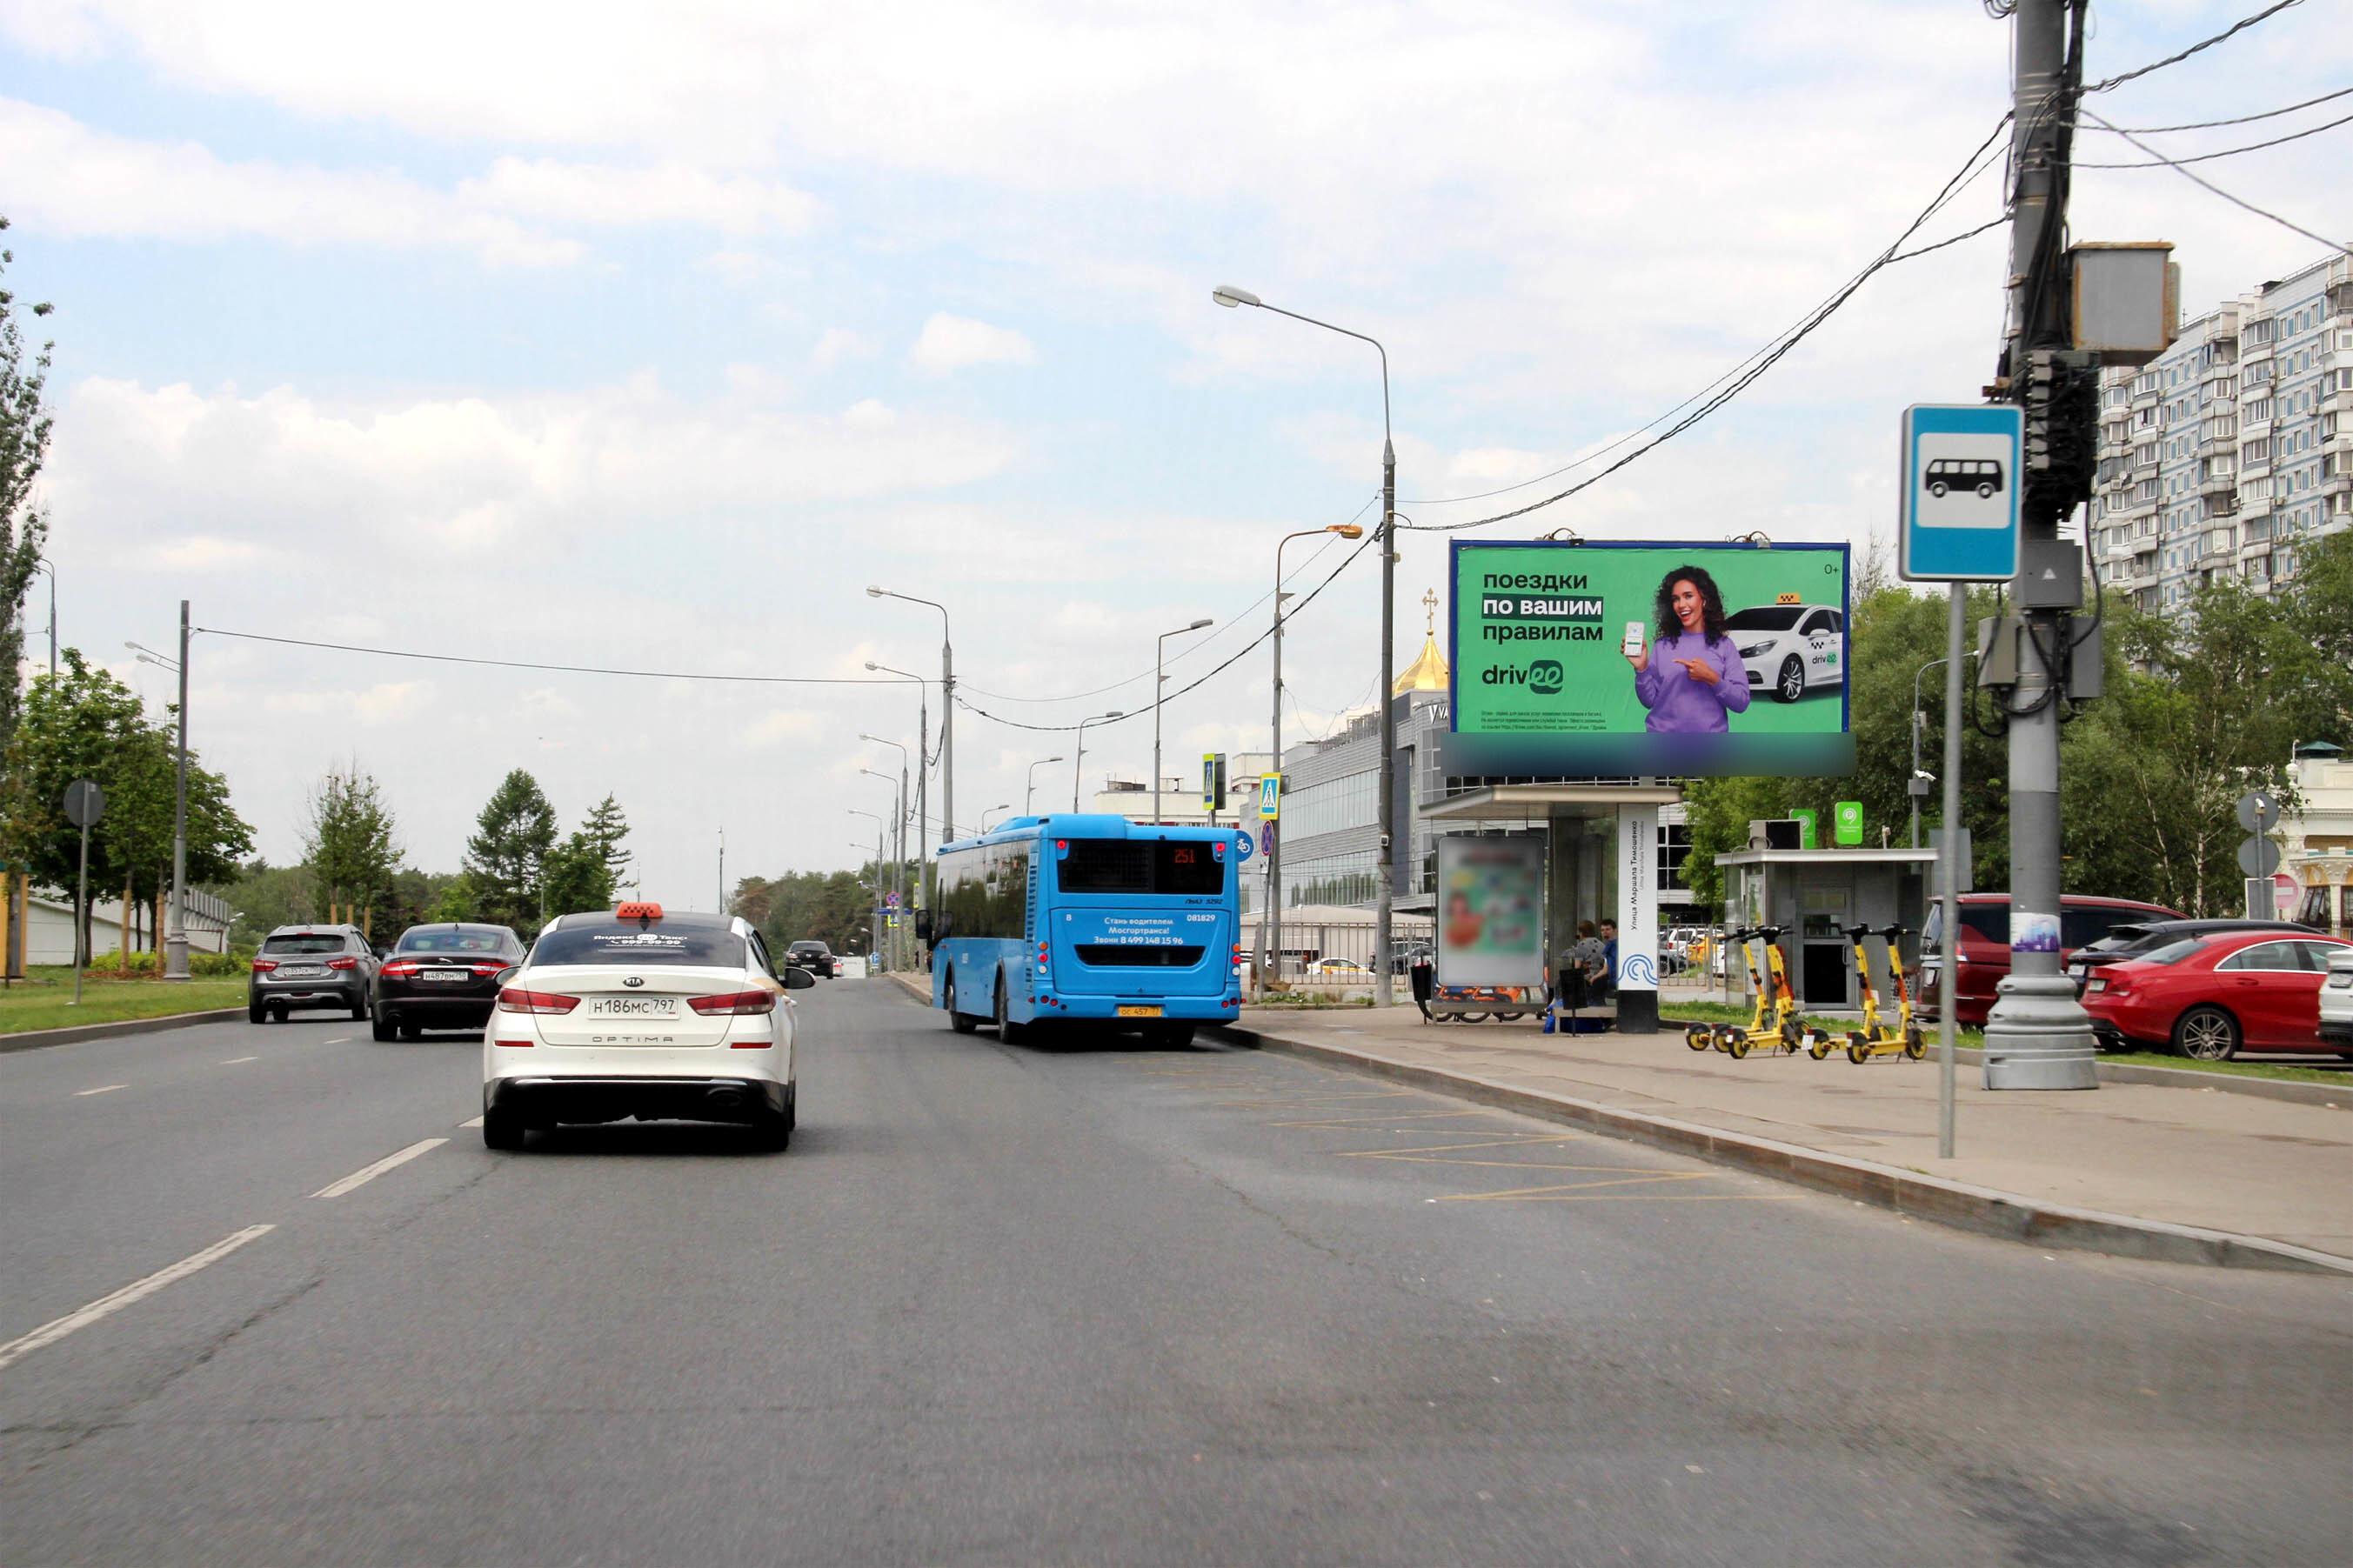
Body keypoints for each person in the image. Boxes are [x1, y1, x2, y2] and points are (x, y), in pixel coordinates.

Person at [1628, 564, 1751, 734]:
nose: (1681, 604)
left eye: (1688, 596)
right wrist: (1641, 669)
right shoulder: (1662, 646)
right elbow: (1649, 701)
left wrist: (1712, 678)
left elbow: (1741, 703)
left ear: (1704, 600)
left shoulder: (1724, 646)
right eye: (1675, 599)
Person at [1595, 919, 1619, 1000]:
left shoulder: (1613, 946)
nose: (1605, 932)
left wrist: (1593, 978)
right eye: (1602, 930)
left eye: (1608, 929)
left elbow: (1606, 969)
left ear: (1615, 930)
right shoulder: (1609, 946)